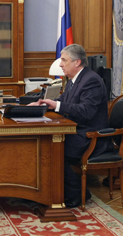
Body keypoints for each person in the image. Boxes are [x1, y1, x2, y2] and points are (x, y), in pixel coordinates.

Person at [29, 44, 111, 208]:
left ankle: (76, 194)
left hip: (89, 136)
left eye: (64, 60)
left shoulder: (91, 80)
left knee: (50, 147)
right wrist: (44, 105)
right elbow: (64, 102)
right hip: (76, 130)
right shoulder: (74, 80)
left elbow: (86, 112)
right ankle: (40, 191)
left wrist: (57, 106)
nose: (60, 64)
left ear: (77, 62)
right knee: (42, 144)